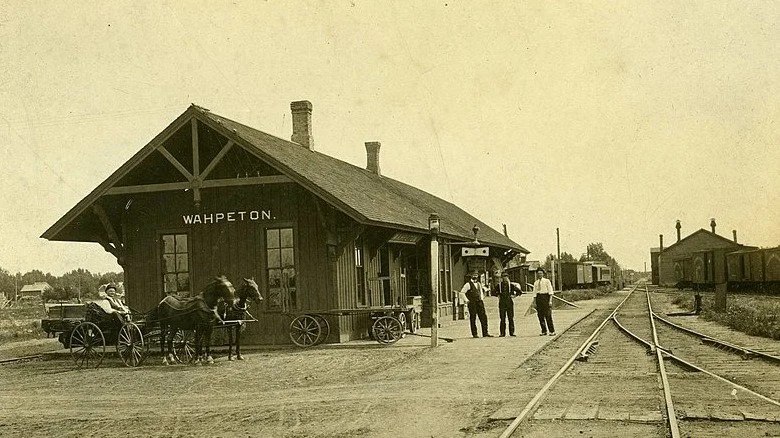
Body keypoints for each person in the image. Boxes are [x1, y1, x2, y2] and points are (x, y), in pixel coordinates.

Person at [460, 273, 492, 338]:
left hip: (480, 302)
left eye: (476, 275)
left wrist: (482, 298)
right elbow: (462, 293)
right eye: (474, 275)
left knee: (483, 317)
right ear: (471, 276)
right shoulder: (468, 284)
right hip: (472, 303)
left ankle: (485, 333)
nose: (475, 276)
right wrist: (467, 300)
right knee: (473, 318)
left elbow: (481, 291)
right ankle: (474, 334)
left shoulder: (479, 284)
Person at [492, 272, 523, 337]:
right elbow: (493, 292)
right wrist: (498, 295)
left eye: (506, 277)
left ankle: (512, 332)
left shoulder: (511, 285)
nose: (505, 278)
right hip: (502, 303)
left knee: (511, 318)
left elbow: (519, 291)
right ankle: (502, 333)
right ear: (501, 278)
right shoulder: (499, 285)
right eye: (503, 277)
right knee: (502, 318)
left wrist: (514, 296)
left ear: (508, 277)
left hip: (509, 302)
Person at [532, 269, 555, 336]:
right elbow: (534, 293)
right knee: (540, 316)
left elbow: (550, 292)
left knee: (548, 315)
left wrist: (550, 301)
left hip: (545, 297)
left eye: (540, 273)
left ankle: (552, 331)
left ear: (543, 274)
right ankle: (544, 331)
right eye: (538, 273)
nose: (539, 275)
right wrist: (534, 302)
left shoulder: (547, 281)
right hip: (539, 298)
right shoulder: (536, 283)